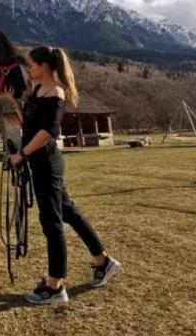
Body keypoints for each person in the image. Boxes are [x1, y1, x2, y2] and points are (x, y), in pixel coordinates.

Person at [8, 46, 120, 305]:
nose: (29, 70)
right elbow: (30, 125)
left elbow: (48, 132)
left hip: (47, 165)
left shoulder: (56, 93)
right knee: (68, 212)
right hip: (39, 163)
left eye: (31, 66)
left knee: (51, 222)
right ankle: (103, 261)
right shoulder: (37, 91)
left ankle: (55, 285)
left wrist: (22, 154)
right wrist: (13, 101)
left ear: (44, 66)